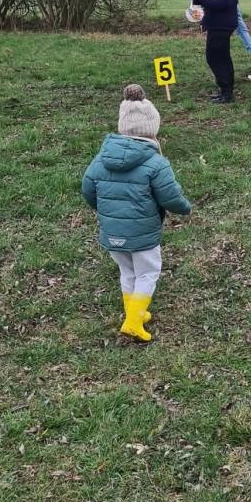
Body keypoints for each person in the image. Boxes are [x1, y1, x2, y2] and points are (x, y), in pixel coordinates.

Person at [81, 85, 191, 342]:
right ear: (152, 128)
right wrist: (184, 208)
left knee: (127, 272)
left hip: (112, 233)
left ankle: (135, 312)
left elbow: (87, 190)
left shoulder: (100, 159)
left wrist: (105, 210)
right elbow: (170, 196)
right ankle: (132, 323)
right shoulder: (156, 163)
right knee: (148, 272)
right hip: (142, 233)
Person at [193, 0, 239, 102]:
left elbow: (225, 2)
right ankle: (225, 89)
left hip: (222, 24)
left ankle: (227, 92)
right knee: (220, 57)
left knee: (215, 57)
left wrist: (202, 1)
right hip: (216, 23)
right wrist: (204, 21)